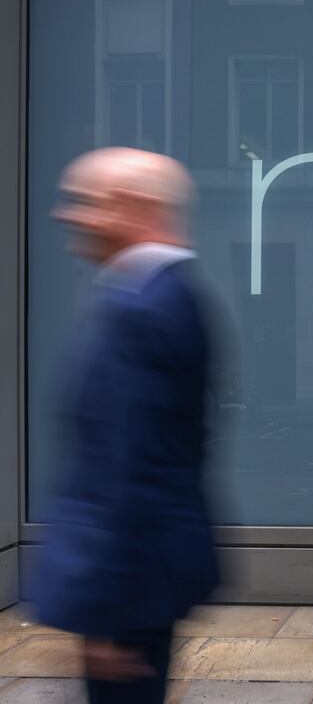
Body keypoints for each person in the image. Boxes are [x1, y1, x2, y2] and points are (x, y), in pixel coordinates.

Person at [33, 147, 218, 703]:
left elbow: (131, 463)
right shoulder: (171, 293)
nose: (67, 215)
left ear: (134, 206)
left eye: (86, 202)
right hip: (146, 575)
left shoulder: (140, 309)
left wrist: (110, 611)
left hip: (128, 588)